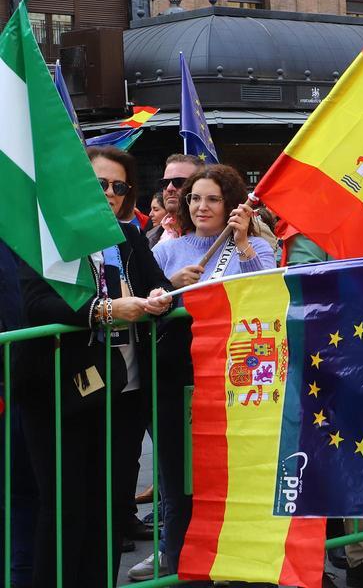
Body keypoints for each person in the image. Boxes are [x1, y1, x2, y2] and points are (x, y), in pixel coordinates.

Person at [16, 146, 173, 588]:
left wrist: (160, 299)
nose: (108, 193)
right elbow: (37, 303)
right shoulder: (47, 235)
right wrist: (106, 310)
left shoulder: (129, 237)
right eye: (99, 183)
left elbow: (156, 283)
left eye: (119, 187)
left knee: (109, 509)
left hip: (123, 393)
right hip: (59, 394)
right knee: (64, 510)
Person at [128, 164, 275, 582]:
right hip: (176, 380)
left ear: (230, 204)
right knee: (178, 484)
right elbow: (139, 300)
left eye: (212, 199)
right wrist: (168, 285)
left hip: (237, 380)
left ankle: (239, 567)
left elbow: (264, 294)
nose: (201, 206)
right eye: (195, 198)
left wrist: (243, 242)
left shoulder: (255, 247)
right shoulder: (167, 251)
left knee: (236, 479)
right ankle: (183, 570)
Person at [146, 154, 201, 248]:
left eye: (179, 182)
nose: (169, 188)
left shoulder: (219, 236)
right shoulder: (149, 237)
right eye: (165, 183)